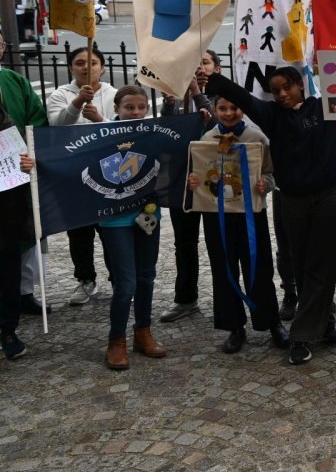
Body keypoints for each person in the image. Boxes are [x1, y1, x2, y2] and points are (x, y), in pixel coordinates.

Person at [206, 66, 336, 366]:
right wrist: (212, 78)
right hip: (292, 198)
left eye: (287, 88)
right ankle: (322, 321)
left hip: (328, 196)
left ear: (300, 85)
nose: (281, 94)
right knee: (302, 260)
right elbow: (239, 94)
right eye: (276, 90)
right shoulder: (271, 115)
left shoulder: (326, 107)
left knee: (325, 260)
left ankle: (303, 334)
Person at [186, 95, 288, 353]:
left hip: (251, 213)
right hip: (216, 216)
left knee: (260, 266)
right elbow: (197, 174)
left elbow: (271, 172)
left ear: (242, 109)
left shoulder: (258, 139)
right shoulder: (206, 140)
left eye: (234, 107)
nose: (229, 113)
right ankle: (234, 326)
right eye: (223, 108)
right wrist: (194, 183)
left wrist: (266, 184)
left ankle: (271, 321)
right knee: (224, 268)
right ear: (216, 110)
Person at [100, 86, 167, 370]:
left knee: (147, 277)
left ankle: (143, 331)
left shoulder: (153, 135)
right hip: (115, 219)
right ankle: (116, 340)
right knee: (125, 282)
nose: (136, 112)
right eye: (129, 107)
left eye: (141, 107)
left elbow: (175, 157)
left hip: (148, 215)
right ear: (116, 109)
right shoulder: (100, 137)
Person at [46, 45, 117, 307]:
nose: (87, 67)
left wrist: (99, 119)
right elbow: (56, 125)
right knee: (79, 231)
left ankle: (117, 279)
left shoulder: (114, 94)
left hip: (108, 173)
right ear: (70, 67)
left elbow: (124, 128)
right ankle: (85, 279)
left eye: (93, 62)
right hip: (73, 174)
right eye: (79, 63)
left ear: (102, 67)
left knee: (110, 230)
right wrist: (76, 103)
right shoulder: (60, 95)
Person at [159, 62, 218, 324]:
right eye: (191, 64)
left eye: (203, 62)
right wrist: (170, 103)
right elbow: (166, 134)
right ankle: (185, 299)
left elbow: (218, 124)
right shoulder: (175, 95)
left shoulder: (219, 94)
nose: (197, 68)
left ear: (214, 67)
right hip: (182, 180)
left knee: (219, 243)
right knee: (184, 243)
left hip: (215, 181)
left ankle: (226, 299)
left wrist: (196, 90)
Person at [0, 32, 50, 317]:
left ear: (3, 47)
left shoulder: (15, 81)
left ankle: (24, 292)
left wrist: (29, 152)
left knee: (26, 232)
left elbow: (36, 118)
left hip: (16, 169)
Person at [0, 97, 35, 359]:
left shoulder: (4, 124)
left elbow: (18, 162)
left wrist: (26, 166)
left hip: (5, 213)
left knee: (7, 274)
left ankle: (8, 330)